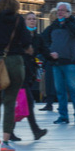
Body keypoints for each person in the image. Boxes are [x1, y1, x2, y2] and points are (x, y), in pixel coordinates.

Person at [0, 0, 31, 151]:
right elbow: (26, 41)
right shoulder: (18, 19)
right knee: (10, 102)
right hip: (15, 62)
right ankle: (5, 141)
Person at [42, 2, 75, 125]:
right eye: (58, 10)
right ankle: (63, 116)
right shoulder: (54, 25)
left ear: (68, 12)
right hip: (56, 63)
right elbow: (44, 39)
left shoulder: (74, 24)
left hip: (69, 63)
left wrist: (67, 21)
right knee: (60, 91)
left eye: (62, 10)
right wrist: (49, 52)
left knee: (74, 90)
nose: (60, 12)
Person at [17, 12, 48, 141]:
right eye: (29, 19)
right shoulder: (20, 36)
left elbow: (44, 51)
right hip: (19, 72)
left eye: (34, 19)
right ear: (25, 21)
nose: (32, 21)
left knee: (24, 103)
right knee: (28, 102)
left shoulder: (38, 37)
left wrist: (52, 56)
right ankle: (35, 130)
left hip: (30, 73)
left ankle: (10, 131)